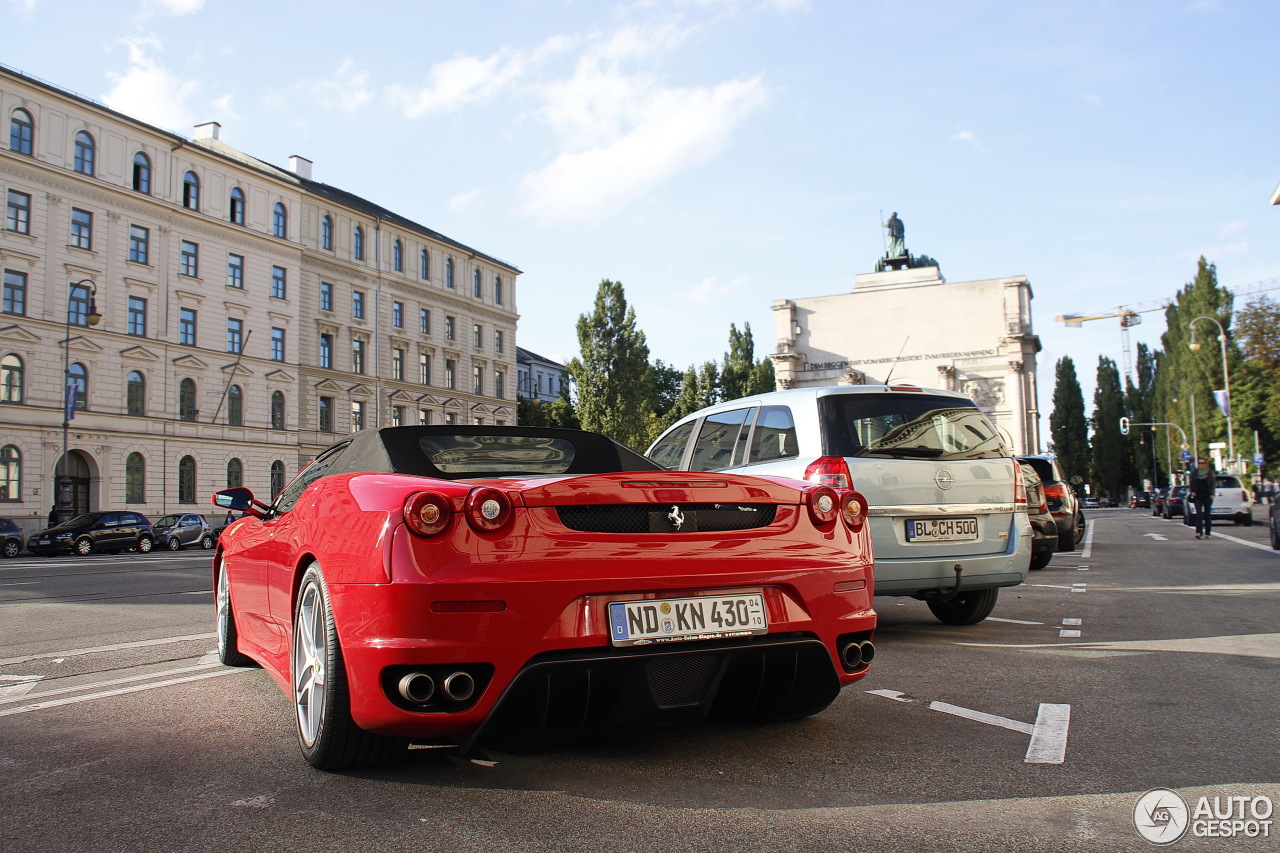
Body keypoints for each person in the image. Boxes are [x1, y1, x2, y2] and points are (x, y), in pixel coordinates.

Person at [1188, 458, 1216, 539]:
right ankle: (1199, 532)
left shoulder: (1210, 472)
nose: (1201, 464)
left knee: (1207, 515)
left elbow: (1212, 484)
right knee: (1199, 514)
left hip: (1207, 496)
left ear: (1205, 464)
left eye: (1203, 463)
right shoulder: (1195, 473)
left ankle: (1208, 533)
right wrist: (1192, 491)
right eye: (1199, 463)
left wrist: (1212, 494)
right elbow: (1192, 483)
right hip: (1198, 496)